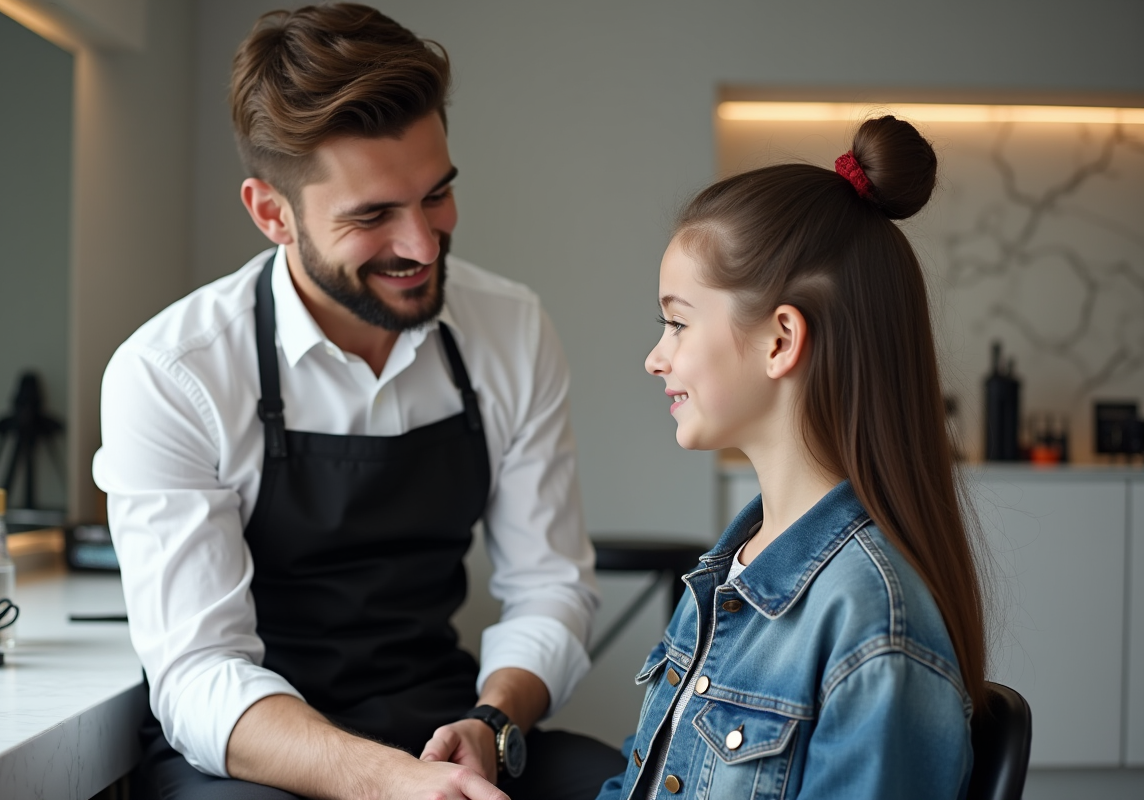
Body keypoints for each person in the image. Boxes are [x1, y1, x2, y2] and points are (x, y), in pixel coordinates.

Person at [93, 4, 624, 799]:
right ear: (273, 213)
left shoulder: (510, 328)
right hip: (258, 747)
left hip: (448, 723)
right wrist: (388, 782)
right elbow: (201, 672)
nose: (422, 244)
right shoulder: (174, 374)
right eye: (373, 215)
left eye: (436, 196)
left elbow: (551, 587)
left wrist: (491, 721)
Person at [597, 116, 987, 799]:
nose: (656, 357)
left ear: (780, 340)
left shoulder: (872, 623)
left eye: (679, 322)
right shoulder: (724, 578)